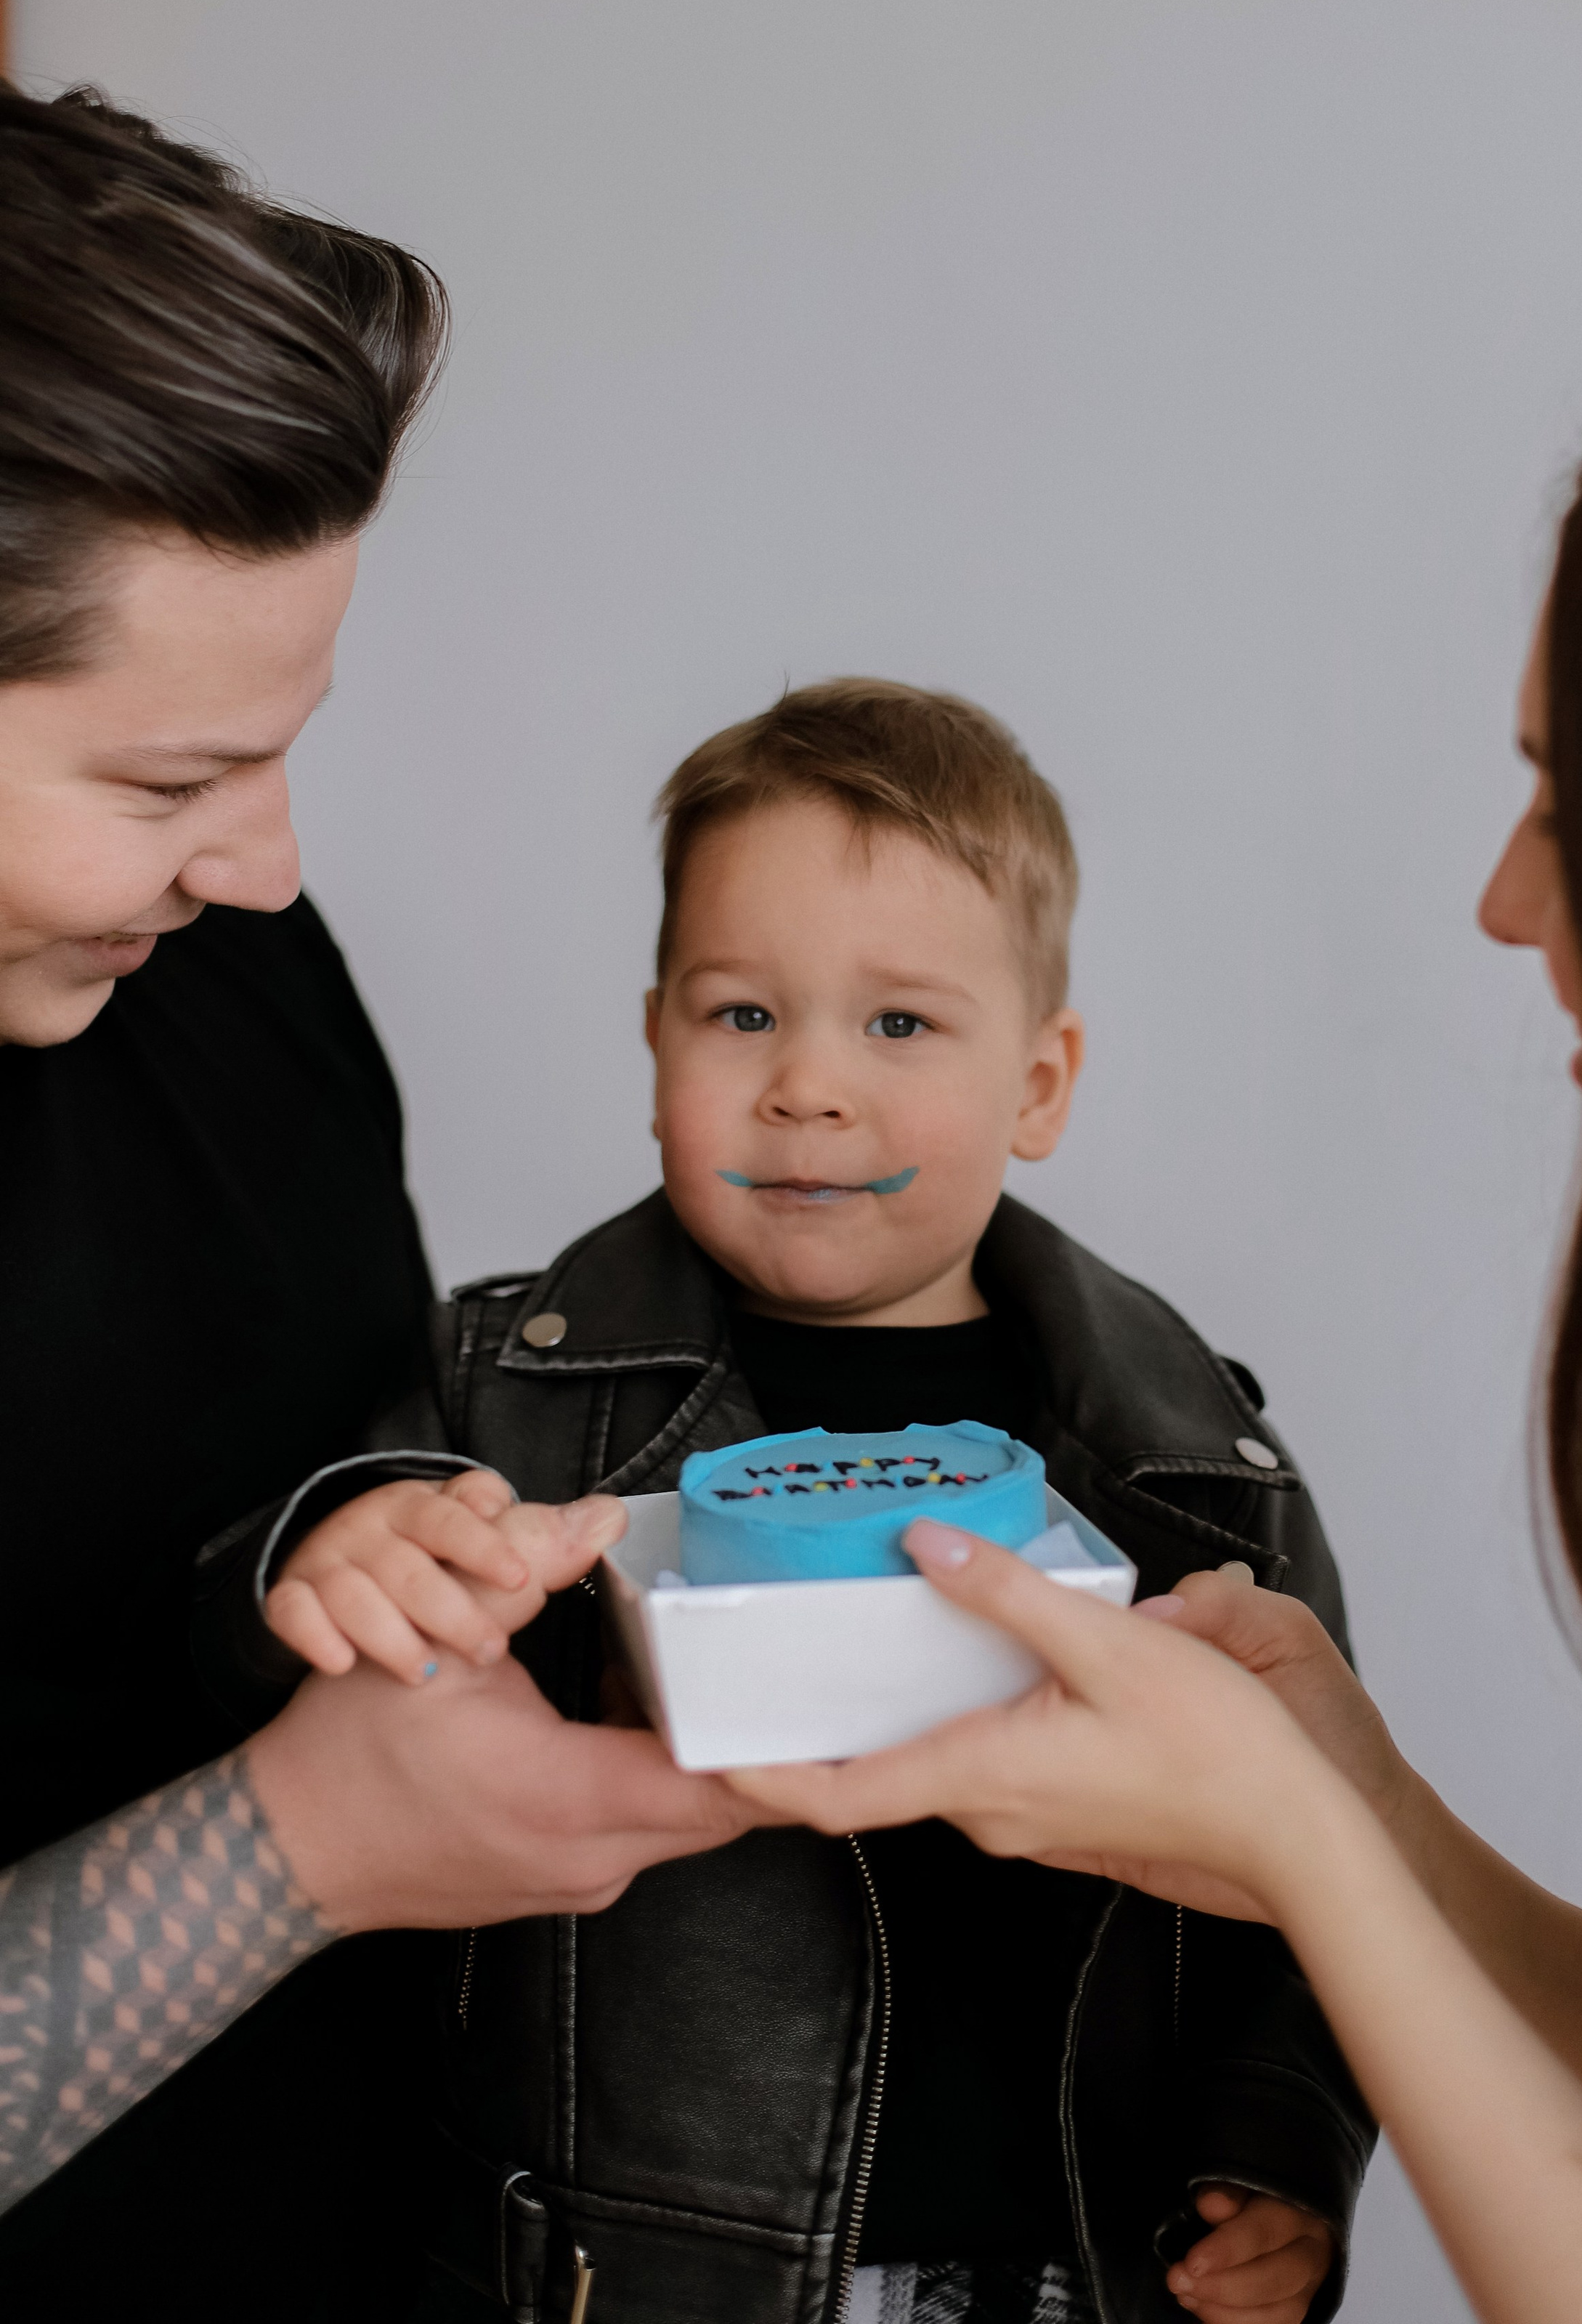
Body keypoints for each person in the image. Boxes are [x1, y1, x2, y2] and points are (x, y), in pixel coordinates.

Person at [733, 342, 1582, 2323]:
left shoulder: (1191, 1434)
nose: (1505, 908)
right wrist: (1362, 1810)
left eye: (1569, 806)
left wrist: (1305, 1858)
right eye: (739, 1012)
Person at [213, 681, 1376, 2324]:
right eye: (741, 1015)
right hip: (620, 2278)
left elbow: (1321, 1878)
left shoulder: (1196, 1472)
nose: (807, 1087)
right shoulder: (500, 1399)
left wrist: (1280, 2144)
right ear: (654, 1040)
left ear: (1038, 1084)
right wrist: (337, 1554)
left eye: (898, 1025)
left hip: (1081, 2269)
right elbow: (255, 1649)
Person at [0, 84, 747, 2307]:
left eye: (282, 748)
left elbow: (292, 1500)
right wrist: (305, 1844)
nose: (268, 863)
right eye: (174, 778)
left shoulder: (220, 975)